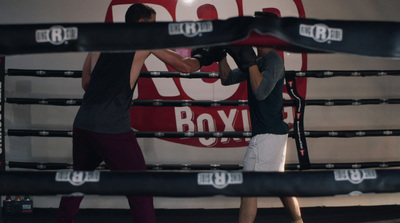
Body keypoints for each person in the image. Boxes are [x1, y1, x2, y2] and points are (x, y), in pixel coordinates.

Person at [56, 3, 209, 223]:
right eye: (153, 23)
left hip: (84, 123)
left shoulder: (100, 39)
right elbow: (184, 66)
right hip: (111, 128)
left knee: (78, 181)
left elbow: (86, 83)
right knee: (141, 189)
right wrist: (204, 58)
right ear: (140, 24)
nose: (155, 28)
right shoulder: (144, 41)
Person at [216, 11, 303, 223]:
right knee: (280, 185)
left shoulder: (273, 61)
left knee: (248, 188)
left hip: (268, 135)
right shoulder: (257, 62)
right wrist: (220, 55)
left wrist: (250, 62)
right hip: (270, 134)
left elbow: (260, 91)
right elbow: (226, 79)